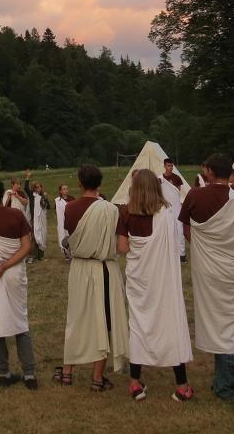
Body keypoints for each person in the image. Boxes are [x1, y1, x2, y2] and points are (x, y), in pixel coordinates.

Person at [179, 154, 234, 401]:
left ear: (210, 172)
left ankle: (226, 383)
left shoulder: (195, 195)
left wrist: (201, 246)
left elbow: (184, 225)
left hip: (206, 268)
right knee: (230, 320)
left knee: (218, 322)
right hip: (232, 268)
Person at [118, 169, 193, 402]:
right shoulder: (166, 212)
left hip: (139, 278)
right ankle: (181, 385)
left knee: (139, 325)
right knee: (169, 324)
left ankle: (134, 383)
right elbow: (173, 243)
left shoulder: (126, 213)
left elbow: (122, 248)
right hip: (162, 279)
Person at [58, 164, 129, 392]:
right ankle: (97, 378)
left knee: (76, 318)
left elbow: (71, 237)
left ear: (79, 183)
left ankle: (67, 373)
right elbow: (120, 247)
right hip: (105, 269)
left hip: (80, 269)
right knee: (104, 322)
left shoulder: (70, 208)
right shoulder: (111, 210)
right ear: (99, 183)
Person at [0, 177, 37, 389]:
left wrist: (0, 267)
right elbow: (26, 247)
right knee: (20, 321)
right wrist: (6, 267)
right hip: (14, 273)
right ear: (3, 192)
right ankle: (29, 374)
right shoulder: (16, 214)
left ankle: (4, 374)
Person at [29, 182, 49, 261]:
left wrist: (45, 198)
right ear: (34, 189)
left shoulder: (43, 196)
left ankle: (41, 256)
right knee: (36, 236)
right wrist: (27, 178)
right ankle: (34, 255)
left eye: (39, 187)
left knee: (43, 235)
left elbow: (47, 207)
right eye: (36, 187)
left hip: (43, 219)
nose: (38, 189)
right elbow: (26, 189)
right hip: (35, 219)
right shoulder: (33, 196)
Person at [55, 184, 73, 261]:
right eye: (64, 189)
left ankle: (72, 253)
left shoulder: (71, 199)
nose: (66, 190)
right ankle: (66, 254)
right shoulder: (57, 200)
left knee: (71, 236)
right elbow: (57, 212)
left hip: (70, 221)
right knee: (64, 236)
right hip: (62, 222)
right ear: (60, 191)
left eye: (66, 189)